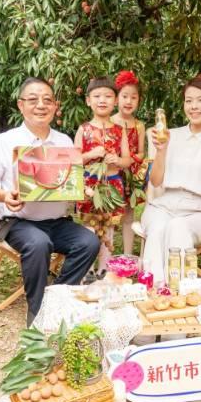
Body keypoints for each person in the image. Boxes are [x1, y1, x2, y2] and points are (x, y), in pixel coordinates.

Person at [0, 77, 100, 324]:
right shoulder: (5, 141)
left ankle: (57, 300)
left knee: (89, 242)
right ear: (21, 105)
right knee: (39, 243)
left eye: (47, 100)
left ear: (55, 107)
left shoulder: (64, 142)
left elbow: (67, 182)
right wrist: (5, 196)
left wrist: (78, 188)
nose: (41, 105)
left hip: (58, 222)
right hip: (19, 223)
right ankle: (38, 314)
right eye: (33, 100)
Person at [141, 76, 201, 287]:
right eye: (188, 100)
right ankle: (154, 289)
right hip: (164, 204)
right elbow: (155, 182)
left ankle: (179, 290)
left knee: (178, 226)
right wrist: (161, 152)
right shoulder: (170, 135)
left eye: (200, 100)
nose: (194, 107)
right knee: (157, 228)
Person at [75, 76, 131, 269]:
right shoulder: (84, 129)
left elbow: (128, 160)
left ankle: (104, 269)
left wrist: (117, 160)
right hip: (89, 184)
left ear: (115, 101)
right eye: (97, 96)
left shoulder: (119, 130)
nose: (102, 100)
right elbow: (74, 161)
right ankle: (87, 268)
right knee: (89, 227)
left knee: (108, 228)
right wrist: (91, 154)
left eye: (108, 96)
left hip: (112, 185)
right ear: (88, 100)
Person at [111, 70, 146, 256]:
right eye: (125, 96)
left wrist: (129, 160)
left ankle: (127, 254)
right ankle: (104, 254)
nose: (129, 101)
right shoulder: (109, 121)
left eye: (133, 97)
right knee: (108, 215)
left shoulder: (139, 125)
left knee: (129, 215)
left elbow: (141, 152)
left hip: (130, 175)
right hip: (111, 173)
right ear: (116, 99)